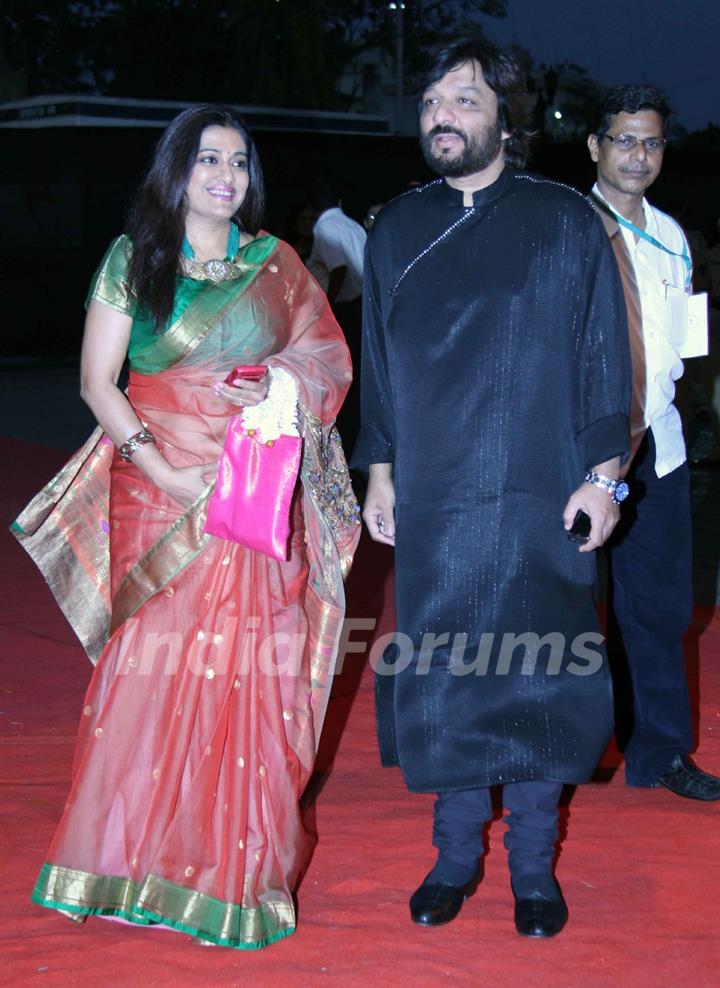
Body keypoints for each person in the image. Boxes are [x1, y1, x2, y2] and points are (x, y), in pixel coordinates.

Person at [12, 105, 360, 949]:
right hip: (161, 484)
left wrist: (274, 382)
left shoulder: (275, 266)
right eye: (207, 159)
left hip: (251, 487)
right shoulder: (137, 259)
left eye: (239, 162)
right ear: (177, 170)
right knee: (149, 670)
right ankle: (124, 860)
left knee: (249, 674)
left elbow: (327, 357)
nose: (225, 176)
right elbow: (99, 382)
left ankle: (229, 875)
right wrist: (162, 466)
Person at [353, 37, 632, 939]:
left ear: (505, 119)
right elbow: (382, 369)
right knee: (448, 678)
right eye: (433, 100)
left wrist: (604, 480)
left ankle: (533, 867)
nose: (443, 114)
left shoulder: (563, 222)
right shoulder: (396, 226)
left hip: (542, 498)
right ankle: (456, 854)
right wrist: (382, 472)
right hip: (439, 503)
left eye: (465, 100)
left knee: (543, 683)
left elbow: (603, 362)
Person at [587, 86, 720, 800]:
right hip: (578, 452)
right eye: (625, 141)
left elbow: (683, 345)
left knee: (659, 607)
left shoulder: (672, 234)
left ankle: (659, 752)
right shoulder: (570, 228)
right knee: (569, 605)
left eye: (652, 143)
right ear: (595, 148)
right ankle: (570, 747)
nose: (639, 156)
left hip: (658, 447)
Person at [308, 178, 367, 453]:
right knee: (355, 384)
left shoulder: (325, 226)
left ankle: (343, 447)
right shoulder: (353, 225)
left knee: (340, 382)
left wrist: (326, 308)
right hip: (363, 308)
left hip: (344, 311)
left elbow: (339, 269)